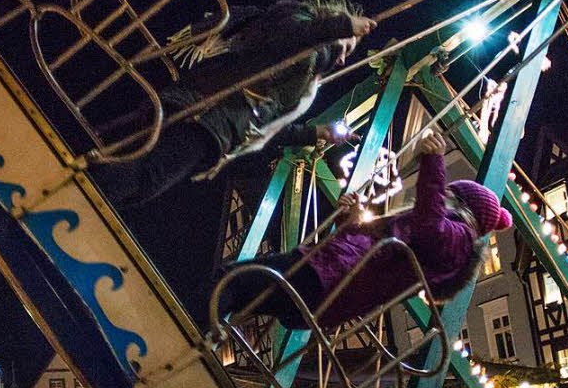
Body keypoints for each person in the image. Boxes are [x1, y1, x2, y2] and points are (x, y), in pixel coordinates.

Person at [91, 0, 375, 206]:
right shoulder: (297, 25)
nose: (342, 59)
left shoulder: (303, 76)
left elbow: (261, 127)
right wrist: (343, 27)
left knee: (144, 180)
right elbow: (289, 40)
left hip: (217, 125)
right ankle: (84, 195)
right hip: (203, 109)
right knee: (145, 173)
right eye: (346, 48)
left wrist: (314, 133)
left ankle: (89, 193)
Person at [215, 129, 513, 330]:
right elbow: (371, 254)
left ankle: (191, 320)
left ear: (461, 204)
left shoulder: (457, 239)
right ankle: (202, 325)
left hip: (323, 277)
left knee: (230, 281)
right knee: (240, 291)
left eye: (448, 194)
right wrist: (352, 220)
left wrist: (434, 163)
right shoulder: (445, 248)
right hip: (327, 289)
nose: (441, 195)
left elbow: (429, 225)